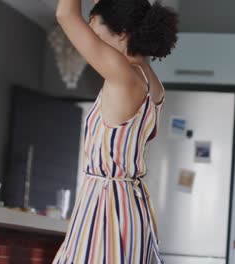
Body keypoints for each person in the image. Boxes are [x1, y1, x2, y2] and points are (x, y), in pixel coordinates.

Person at [52, 0, 178, 263]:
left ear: (122, 33)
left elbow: (65, 13)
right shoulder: (152, 83)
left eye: (95, 31)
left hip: (106, 210)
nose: (91, 39)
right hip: (129, 210)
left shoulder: (124, 76)